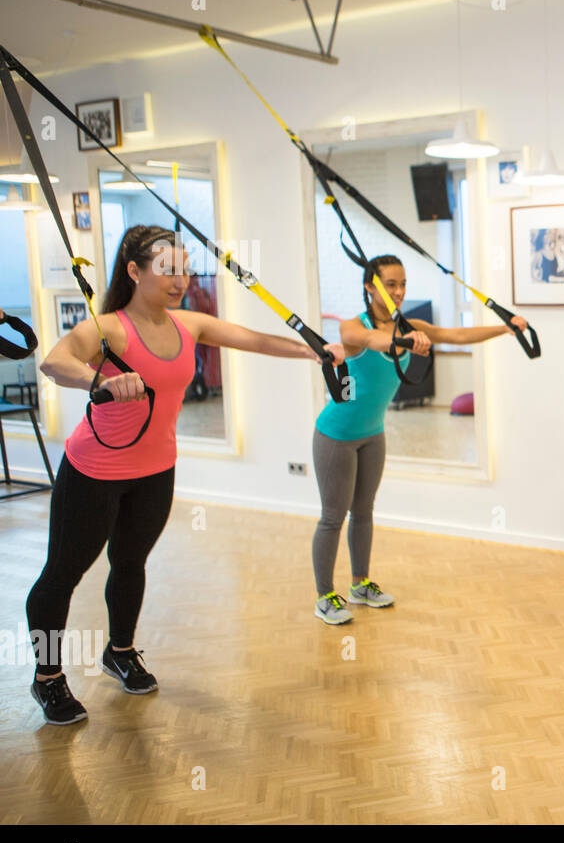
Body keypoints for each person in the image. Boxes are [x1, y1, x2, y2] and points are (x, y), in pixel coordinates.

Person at [28, 224, 346, 725]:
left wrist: (313, 350)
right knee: (64, 574)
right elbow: (54, 362)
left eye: (186, 269)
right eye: (168, 269)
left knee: (131, 563)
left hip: (155, 470)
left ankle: (121, 651)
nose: (180, 279)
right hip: (94, 470)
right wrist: (100, 381)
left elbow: (256, 341)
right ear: (134, 271)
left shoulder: (189, 323)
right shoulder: (108, 327)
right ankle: (48, 679)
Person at [311, 254, 529, 625]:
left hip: (372, 434)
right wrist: (404, 339)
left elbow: (457, 335)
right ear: (370, 287)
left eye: (402, 284)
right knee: (333, 517)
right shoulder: (353, 327)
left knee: (363, 512)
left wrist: (506, 329)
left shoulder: (412, 326)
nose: (398, 292)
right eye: (390, 284)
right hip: (336, 434)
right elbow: (370, 339)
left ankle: (360, 585)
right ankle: (324, 596)